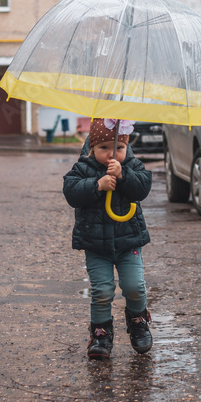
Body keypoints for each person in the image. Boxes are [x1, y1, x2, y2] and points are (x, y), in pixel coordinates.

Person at [63, 118, 153, 359]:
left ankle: (138, 321)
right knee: (102, 290)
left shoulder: (132, 165)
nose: (112, 153)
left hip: (128, 242)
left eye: (119, 148)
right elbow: (71, 193)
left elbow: (143, 189)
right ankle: (101, 333)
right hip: (96, 245)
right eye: (104, 148)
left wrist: (124, 175)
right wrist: (97, 184)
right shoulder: (82, 168)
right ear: (92, 147)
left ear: (126, 147)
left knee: (134, 286)